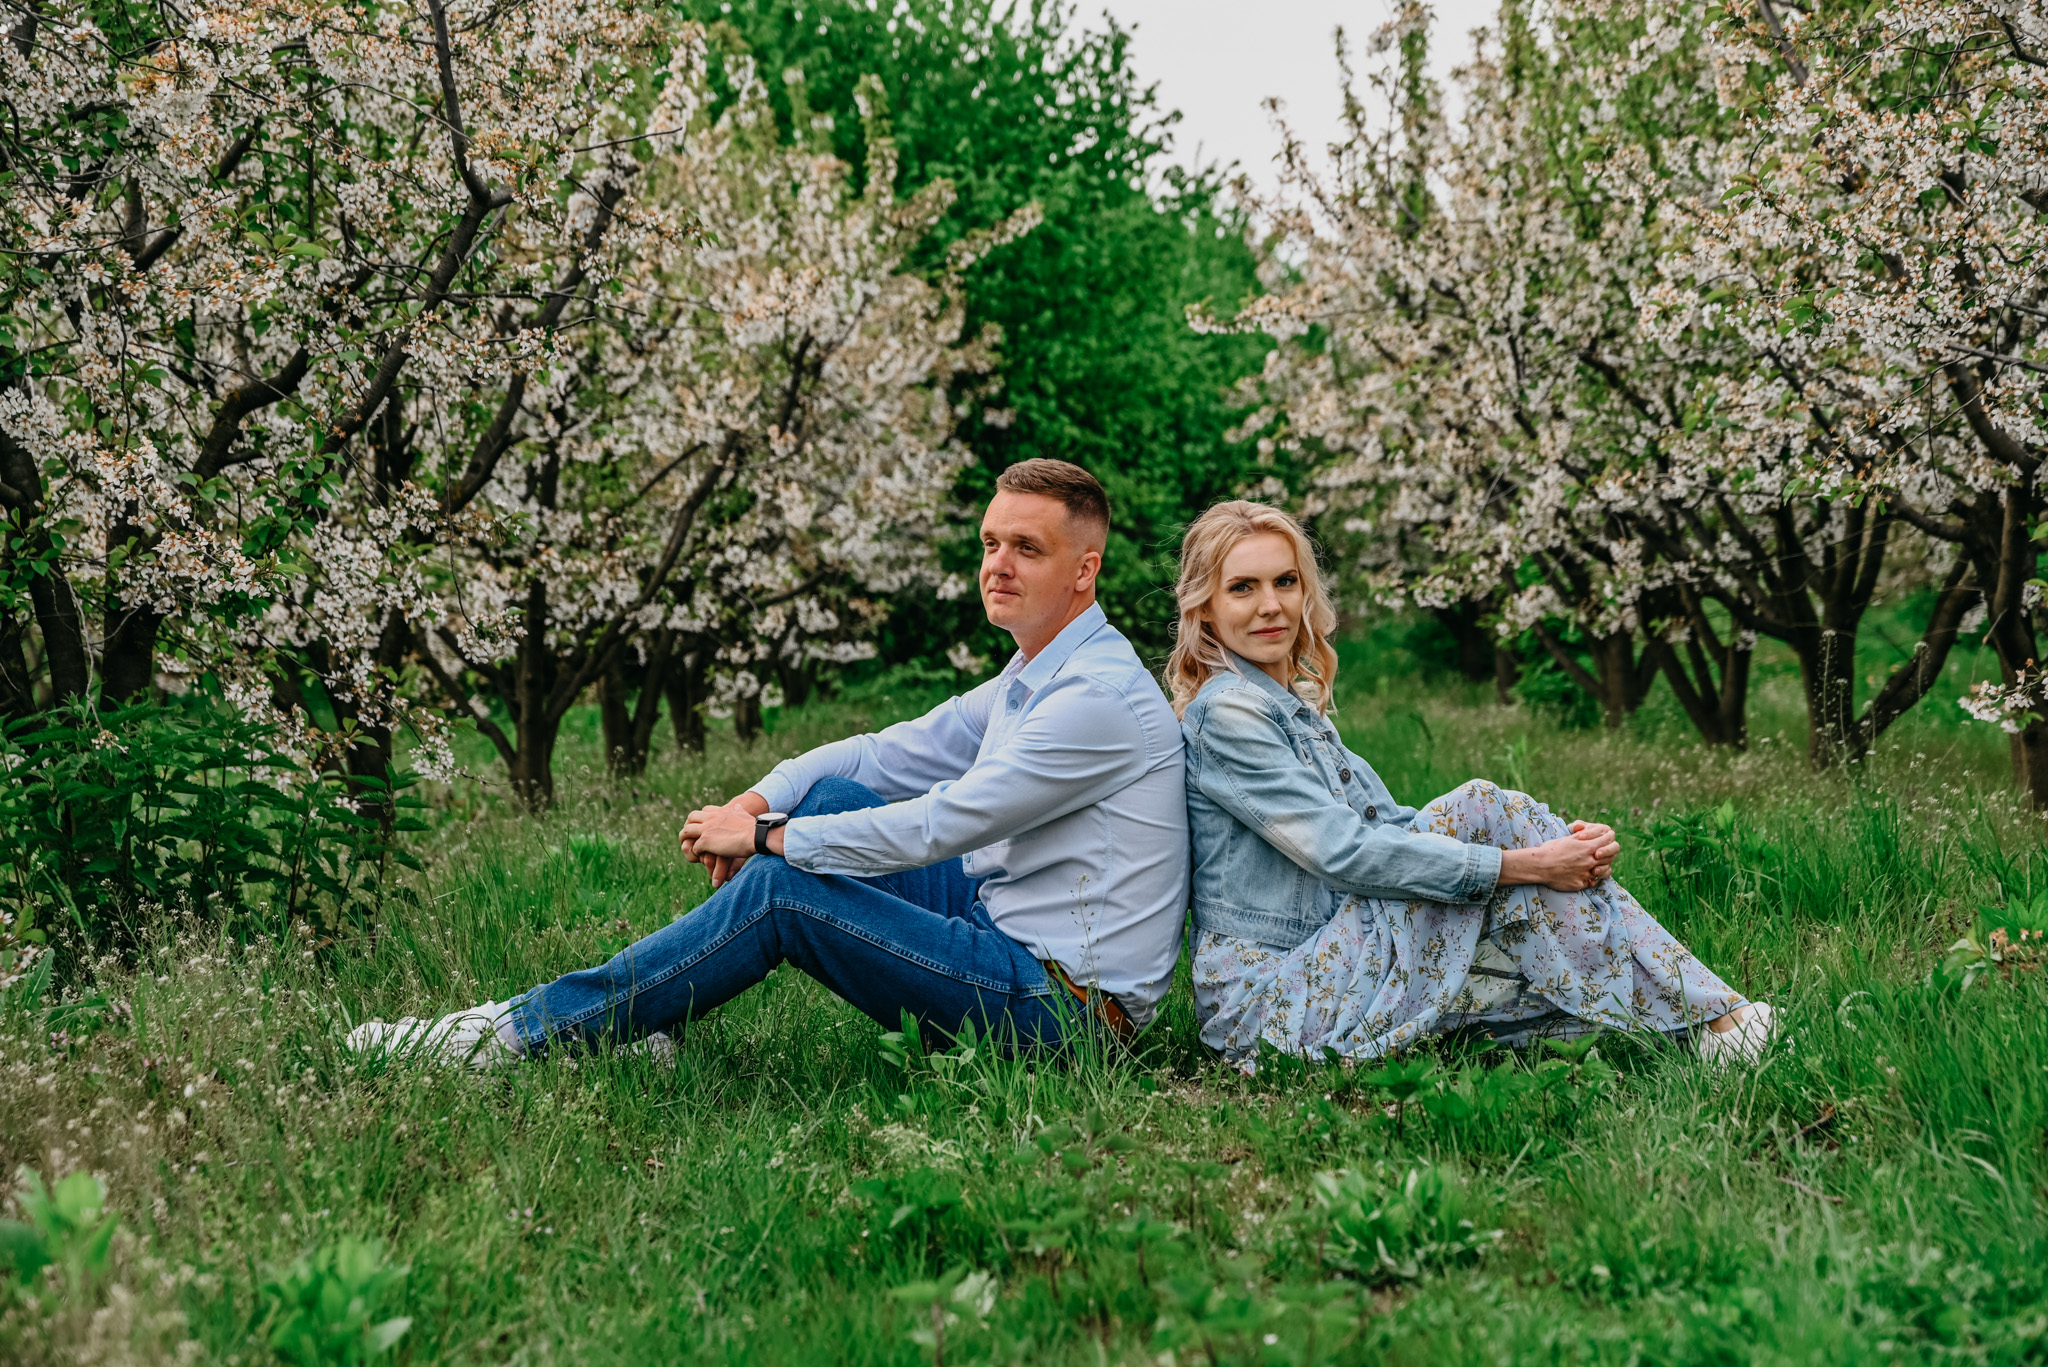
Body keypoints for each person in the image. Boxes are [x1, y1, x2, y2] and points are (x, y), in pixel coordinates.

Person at [347, 460, 1189, 1066]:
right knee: (832, 794)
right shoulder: (1036, 671)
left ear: (1085, 570)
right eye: (990, 542)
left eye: (1026, 548)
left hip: (1066, 1013)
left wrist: (765, 840)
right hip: (1002, 930)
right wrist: (758, 801)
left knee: (785, 887)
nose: (997, 565)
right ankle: (644, 1020)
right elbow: (885, 752)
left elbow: (941, 824)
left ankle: (516, 1032)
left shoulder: (1095, 699)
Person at [1167, 500, 1775, 1068]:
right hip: (1269, 1002)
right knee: (1479, 809)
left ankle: (1706, 1029)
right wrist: (1531, 864)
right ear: (1205, 607)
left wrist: (1551, 849)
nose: (1271, 605)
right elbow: (1344, 852)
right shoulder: (1229, 714)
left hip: (1334, 958)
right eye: (1242, 588)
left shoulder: (1292, 706)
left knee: (1544, 989)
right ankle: (1724, 1020)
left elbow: (1392, 827)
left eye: (1285, 581)